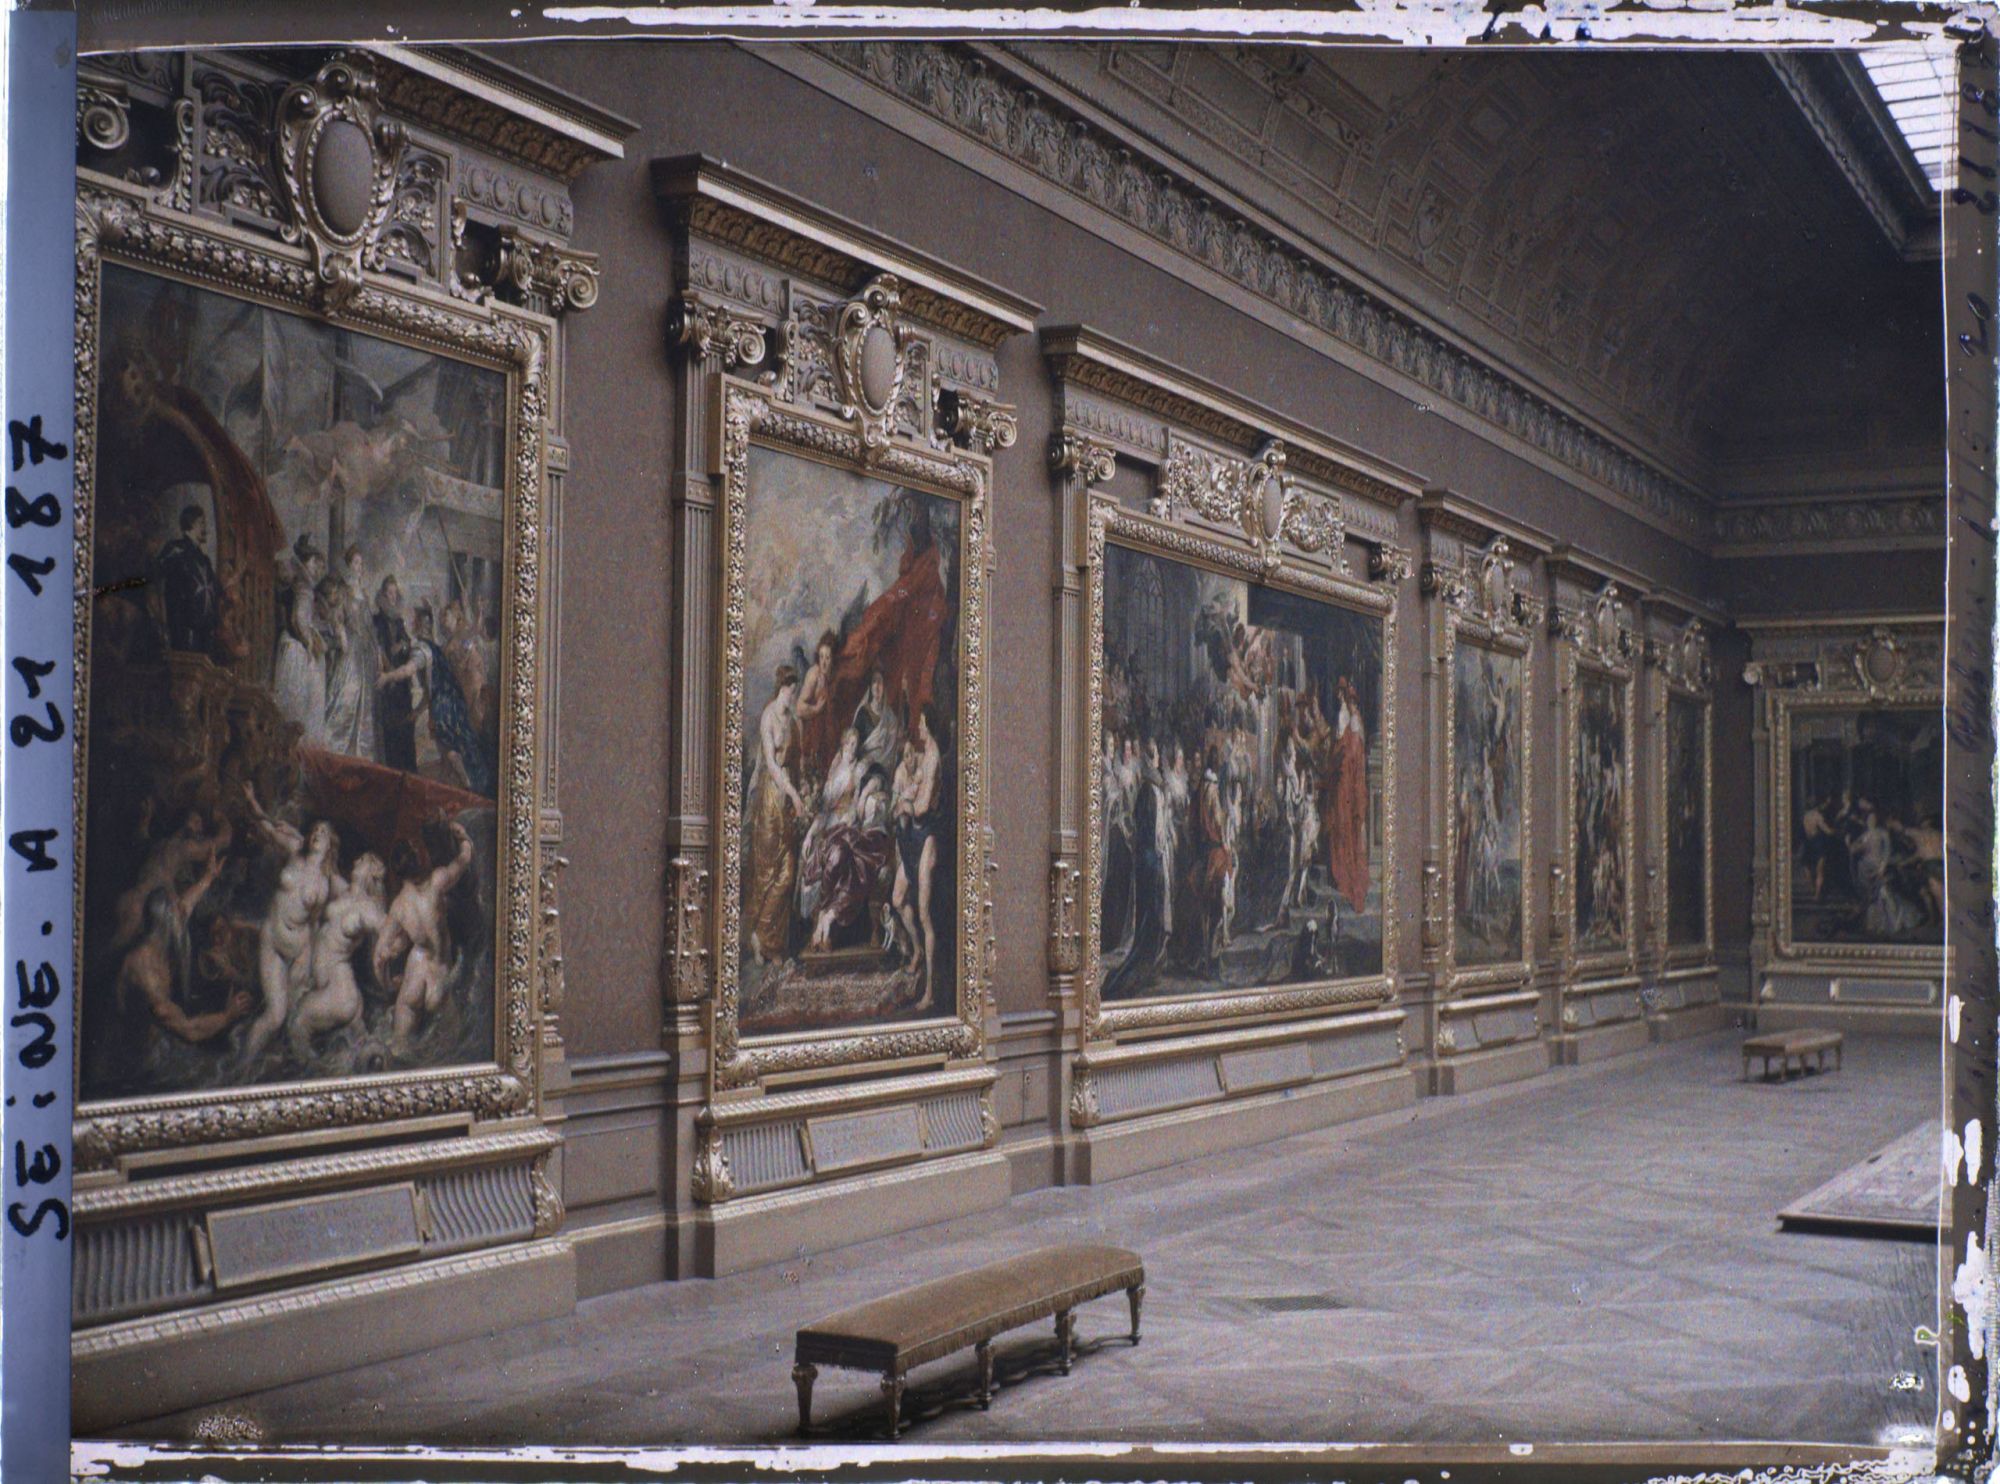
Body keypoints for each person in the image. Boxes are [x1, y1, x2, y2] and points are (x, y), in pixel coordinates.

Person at [238, 780, 342, 1068]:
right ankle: (240, 1071)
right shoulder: (295, 847)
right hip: (272, 939)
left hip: (299, 951)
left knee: (293, 1016)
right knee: (274, 1016)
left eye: (323, 832)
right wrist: (252, 799)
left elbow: (316, 924)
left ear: (330, 844)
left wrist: (306, 962)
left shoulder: (325, 882)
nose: (316, 835)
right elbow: (268, 830)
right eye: (315, 831)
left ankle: (281, 1064)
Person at [115, 850, 253, 1051]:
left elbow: (185, 905)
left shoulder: (160, 935)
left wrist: (208, 877)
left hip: (156, 1042)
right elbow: (189, 1031)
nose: (184, 910)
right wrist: (227, 1015)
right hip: (132, 1056)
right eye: (178, 912)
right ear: (168, 925)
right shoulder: (147, 973)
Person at [376, 822, 475, 1052]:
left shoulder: (398, 907)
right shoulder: (438, 882)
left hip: (414, 979)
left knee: (398, 1050)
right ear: (417, 858)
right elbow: (464, 859)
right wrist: (464, 838)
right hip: (438, 980)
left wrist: (388, 985)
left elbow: (379, 957)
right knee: (455, 1052)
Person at [289, 853, 388, 1061]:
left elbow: (389, 929)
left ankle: (312, 1081)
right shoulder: (345, 891)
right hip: (336, 988)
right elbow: (323, 865)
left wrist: (384, 964)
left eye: (361, 861)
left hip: (339, 990)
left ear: (369, 873)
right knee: (363, 1054)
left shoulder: (368, 908)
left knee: (298, 1023)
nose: (354, 861)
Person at [747, 667, 807, 963]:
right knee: (768, 871)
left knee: (788, 872)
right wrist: (792, 793)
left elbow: (798, 763)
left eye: (795, 693)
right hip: (772, 800)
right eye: (790, 691)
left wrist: (802, 791)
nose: (792, 697)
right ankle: (759, 940)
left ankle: (769, 938)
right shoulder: (769, 717)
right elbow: (771, 764)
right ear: (781, 688)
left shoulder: (795, 722)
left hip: (789, 802)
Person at [891, 703, 945, 999]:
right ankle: (917, 950)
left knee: (924, 914)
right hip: (912, 835)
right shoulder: (925, 755)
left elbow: (923, 807)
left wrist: (905, 805)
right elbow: (911, 770)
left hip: (926, 838)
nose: (920, 728)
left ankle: (930, 990)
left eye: (923, 724)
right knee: (898, 899)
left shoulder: (934, 758)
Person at [413, 601, 493, 794]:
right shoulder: (449, 640)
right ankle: (457, 779)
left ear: (456, 618)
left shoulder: (461, 636)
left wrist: (479, 613)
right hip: (452, 695)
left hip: (463, 694)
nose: (442, 620)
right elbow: (438, 654)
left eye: (445, 616)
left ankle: (469, 780)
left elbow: (472, 635)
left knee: (462, 737)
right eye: (441, 617)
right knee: (450, 740)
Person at [273, 536, 330, 747]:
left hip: (289, 643)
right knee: (300, 702)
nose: (318, 569)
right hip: (296, 648)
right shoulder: (304, 585)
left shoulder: (297, 582)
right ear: (308, 561)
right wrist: (308, 642)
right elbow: (298, 619)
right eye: (316, 564)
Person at [324, 546, 378, 758]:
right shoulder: (343, 591)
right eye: (355, 563)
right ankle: (334, 748)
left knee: (364, 703)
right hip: (350, 649)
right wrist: (341, 633)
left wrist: (376, 651)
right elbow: (335, 617)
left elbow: (370, 625)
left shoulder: (363, 593)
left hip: (364, 652)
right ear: (349, 565)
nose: (359, 567)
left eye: (361, 564)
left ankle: (359, 754)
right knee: (345, 696)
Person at [154, 503, 222, 655]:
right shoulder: (175, 550)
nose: (206, 529)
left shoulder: (204, 560)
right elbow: (157, 576)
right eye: (202, 523)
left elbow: (213, 589)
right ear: (191, 524)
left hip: (204, 632)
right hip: (183, 629)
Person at [374, 575, 422, 771]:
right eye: (389, 593)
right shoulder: (377, 621)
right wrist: (387, 665)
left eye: (395, 593)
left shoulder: (400, 621)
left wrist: (403, 646)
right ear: (383, 595)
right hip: (386, 679)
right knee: (390, 727)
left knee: (405, 723)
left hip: (401, 682)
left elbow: (407, 645)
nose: (392, 597)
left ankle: (408, 770)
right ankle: (392, 769)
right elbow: (376, 648)